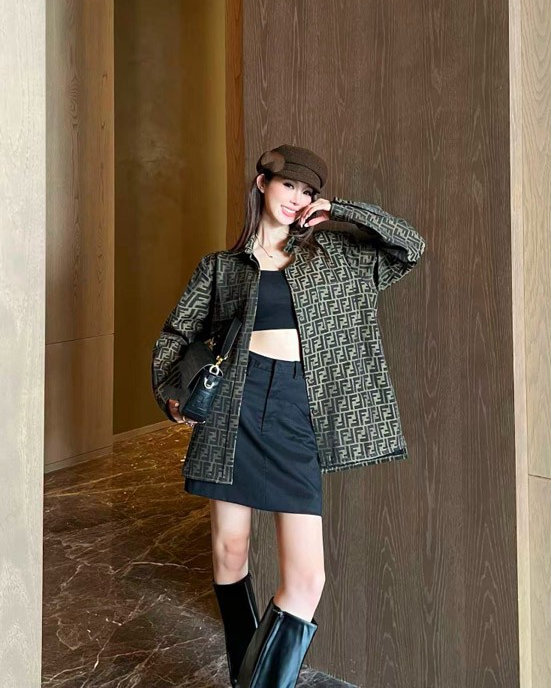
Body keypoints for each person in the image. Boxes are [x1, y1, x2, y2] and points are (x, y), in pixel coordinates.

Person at [151, 144, 426, 687]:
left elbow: (409, 246)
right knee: (229, 552)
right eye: (288, 185)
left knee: (307, 579)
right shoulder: (221, 268)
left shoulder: (337, 256)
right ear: (263, 184)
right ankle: (244, 675)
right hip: (235, 406)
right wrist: (172, 394)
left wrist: (339, 210)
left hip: (298, 411)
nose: (297, 198)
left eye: (308, 191)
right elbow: (176, 335)